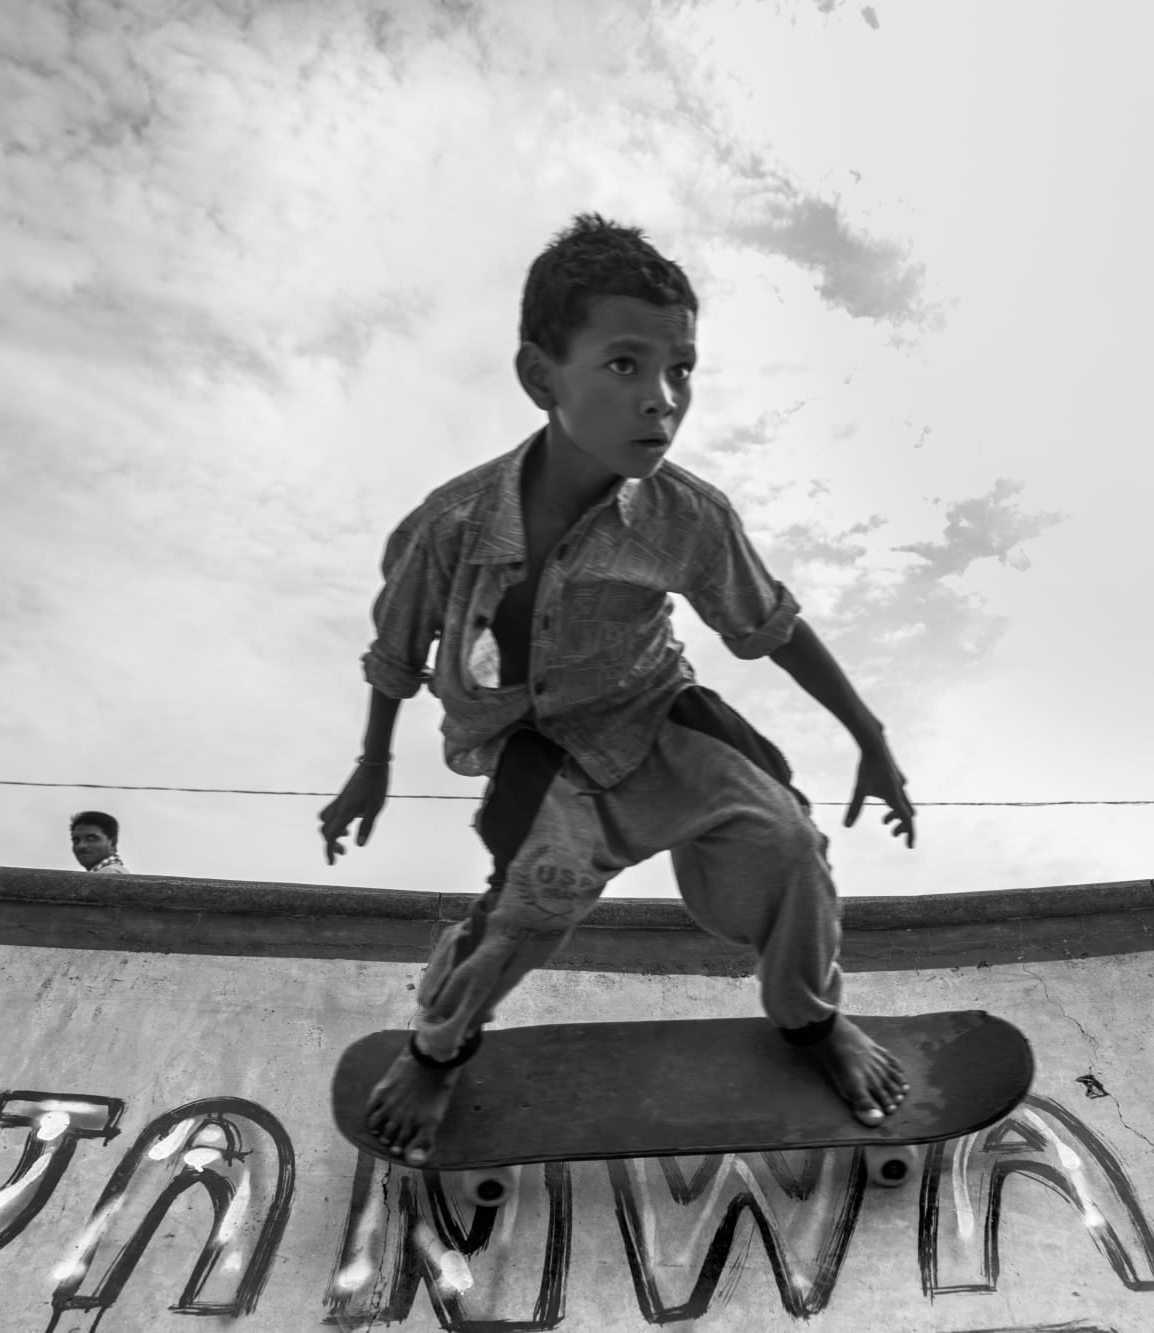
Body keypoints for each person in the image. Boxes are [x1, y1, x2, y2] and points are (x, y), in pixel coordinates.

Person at [318, 213, 918, 1167]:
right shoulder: (451, 526)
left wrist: (869, 735)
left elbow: (770, 625)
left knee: (787, 841)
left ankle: (812, 1022)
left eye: (681, 369)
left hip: (655, 712)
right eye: (625, 366)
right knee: (536, 892)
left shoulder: (685, 515)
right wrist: (369, 768)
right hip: (535, 743)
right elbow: (394, 655)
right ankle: (436, 1054)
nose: (663, 400)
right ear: (540, 377)